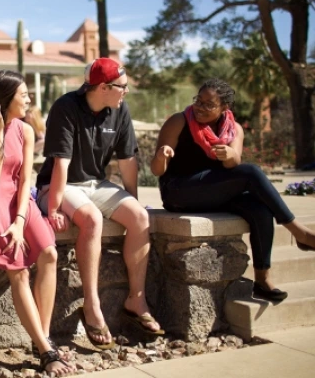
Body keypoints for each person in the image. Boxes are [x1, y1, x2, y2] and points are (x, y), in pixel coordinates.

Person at [36, 57, 163, 350]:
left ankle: (136, 300)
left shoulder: (119, 111)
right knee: (91, 219)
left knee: (140, 218)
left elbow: (128, 161)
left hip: (96, 184)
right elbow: (61, 165)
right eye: (123, 86)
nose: (126, 92)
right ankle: (92, 306)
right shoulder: (65, 107)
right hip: (61, 185)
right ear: (104, 87)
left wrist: (132, 201)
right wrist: (53, 207)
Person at [151, 78, 315, 301]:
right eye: (199, 101)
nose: (200, 107)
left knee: (260, 209)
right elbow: (157, 170)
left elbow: (232, 164)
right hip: (179, 191)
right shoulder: (178, 121)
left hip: (212, 192)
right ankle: (299, 232)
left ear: (224, 108)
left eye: (209, 104)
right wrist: (162, 156)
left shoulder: (233, 129)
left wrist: (231, 156)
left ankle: (262, 279)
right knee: (251, 172)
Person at [0, 70, 74, 376]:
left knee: (50, 254)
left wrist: (21, 219)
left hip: (19, 203)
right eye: (23, 95)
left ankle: (43, 338)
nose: (28, 100)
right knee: (20, 272)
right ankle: (45, 349)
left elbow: (25, 180)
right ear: (4, 100)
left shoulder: (25, 131)